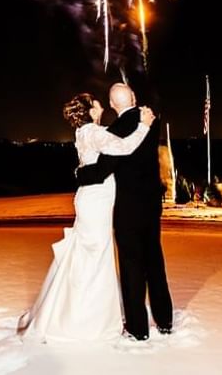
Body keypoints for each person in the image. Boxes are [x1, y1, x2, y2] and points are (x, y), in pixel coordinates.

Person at [17, 92, 156, 342]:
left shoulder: (85, 132)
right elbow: (123, 148)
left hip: (90, 199)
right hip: (96, 201)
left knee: (88, 252)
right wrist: (144, 126)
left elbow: (91, 162)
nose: (101, 104)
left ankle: (74, 310)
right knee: (94, 254)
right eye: (96, 103)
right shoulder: (93, 132)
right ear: (91, 111)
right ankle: (85, 319)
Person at [76, 83, 173, 341]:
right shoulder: (151, 118)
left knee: (131, 265)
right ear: (133, 97)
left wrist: (79, 172)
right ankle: (165, 321)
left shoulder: (115, 131)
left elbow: (100, 171)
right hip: (151, 203)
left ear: (111, 104)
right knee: (154, 259)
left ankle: (138, 328)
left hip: (127, 206)